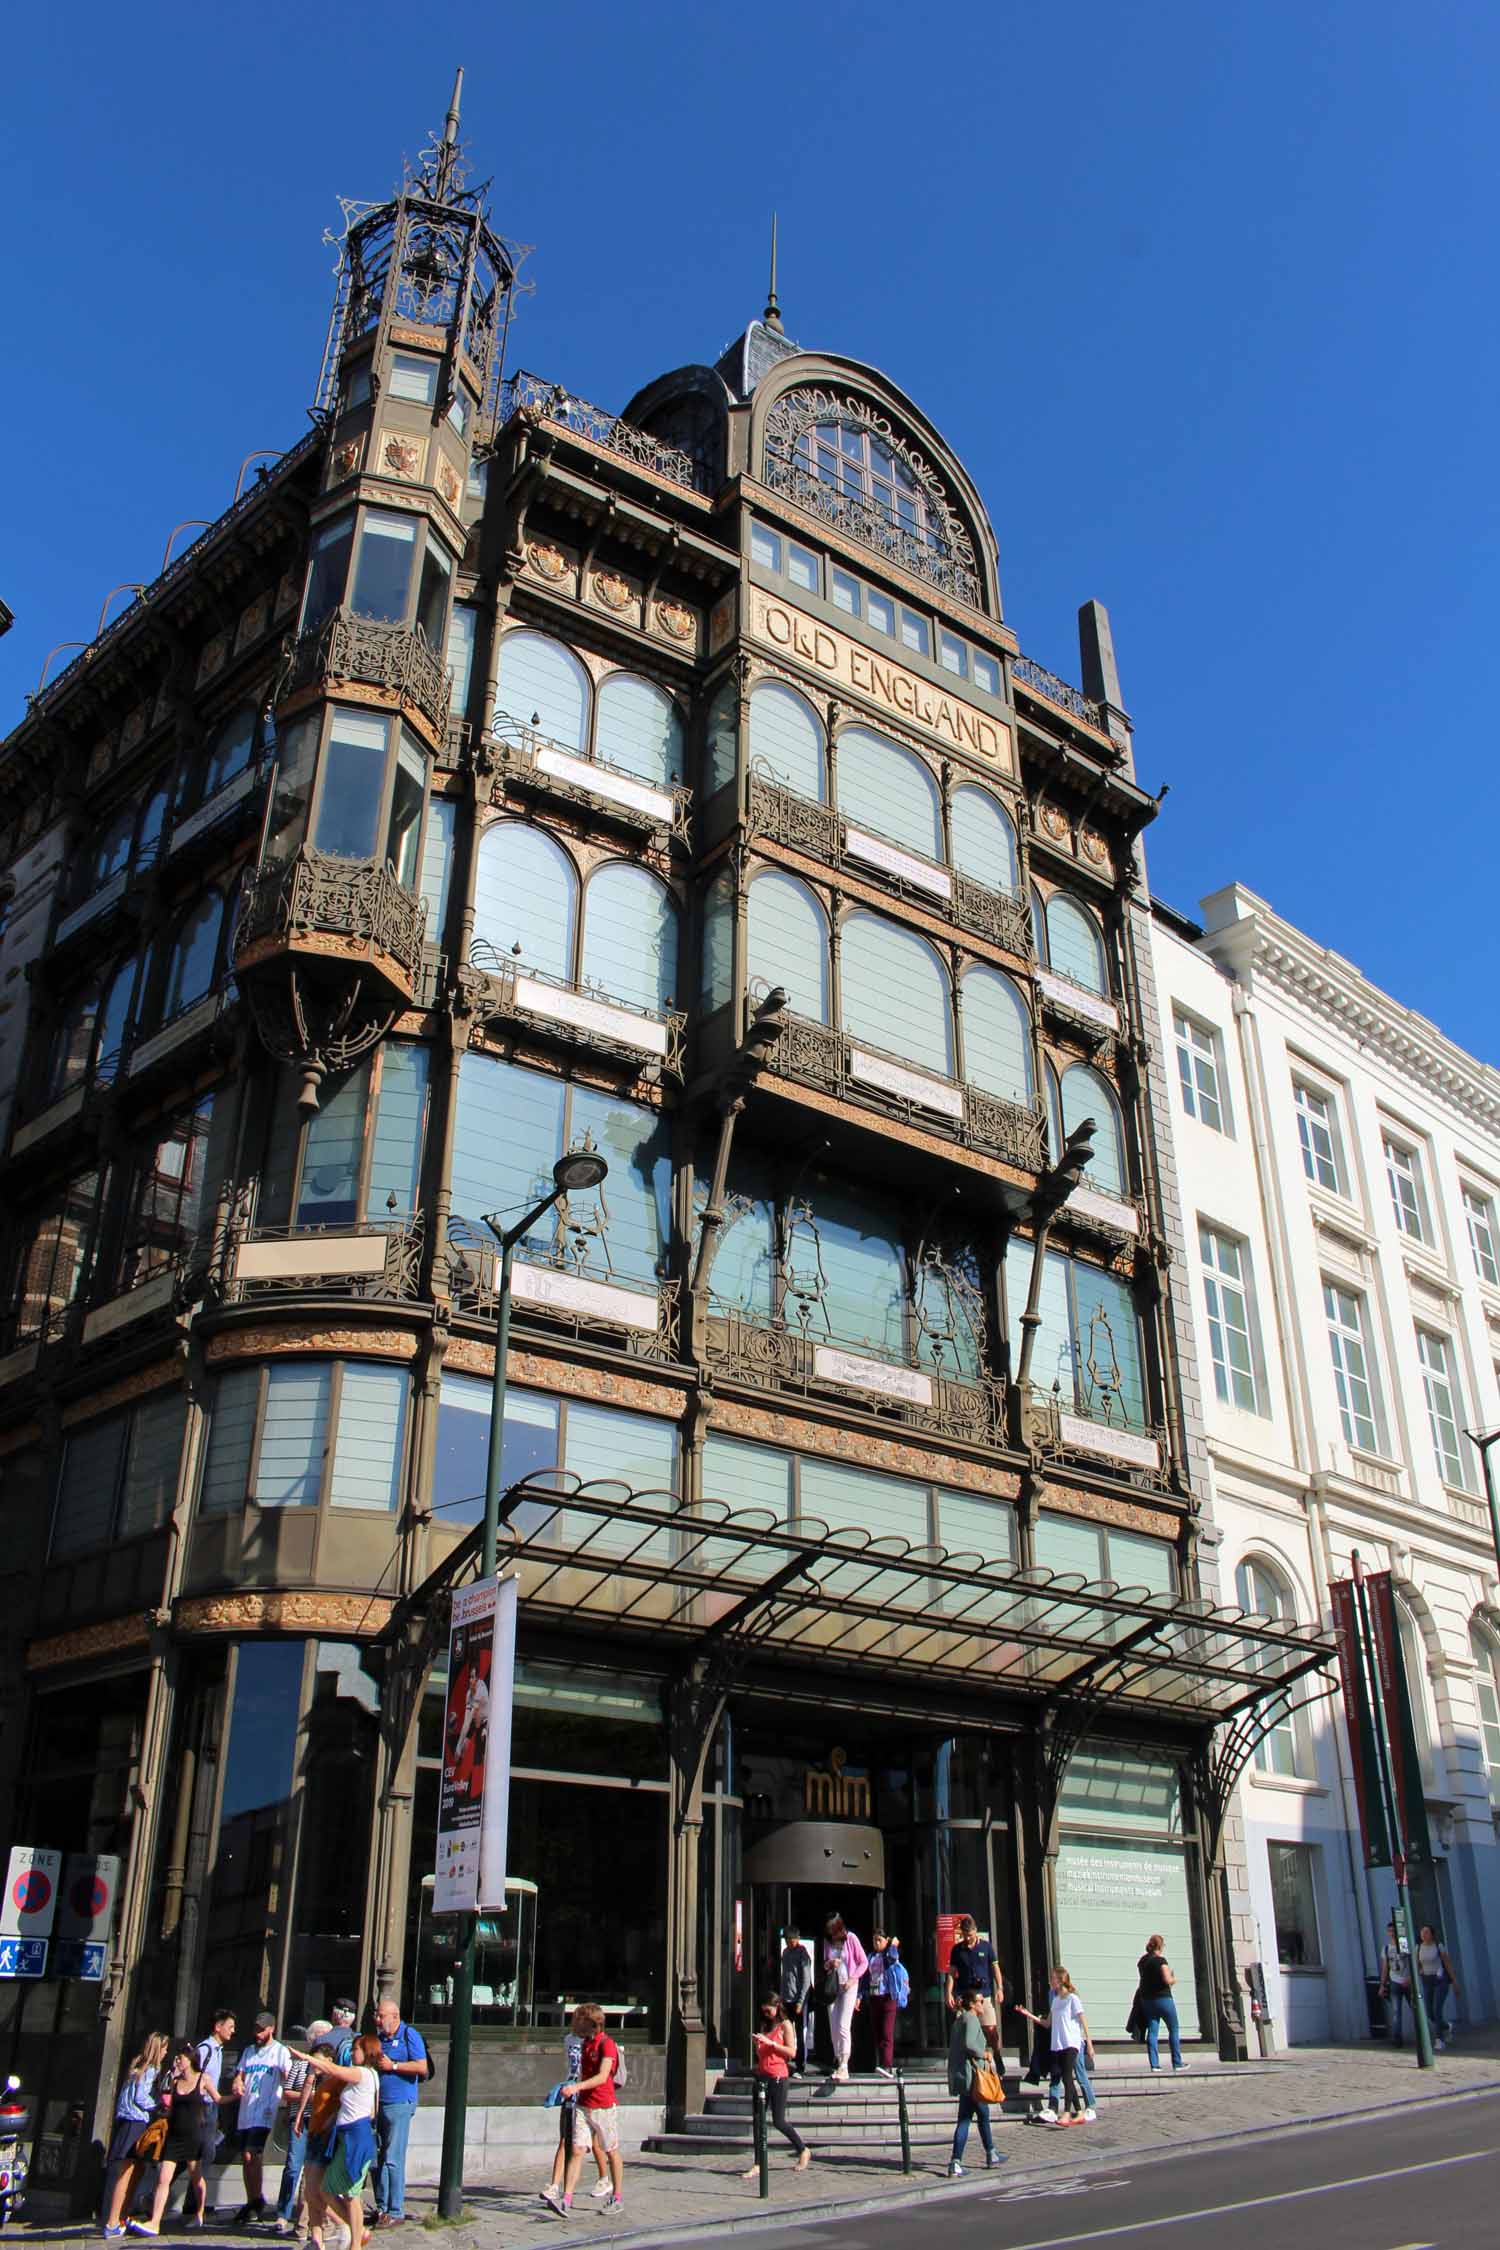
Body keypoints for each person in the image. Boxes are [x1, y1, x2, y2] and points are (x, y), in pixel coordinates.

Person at [288, 2033, 383, 2250]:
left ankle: (356, 2241)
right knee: (332, 2190)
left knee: (347, 2192)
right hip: (348, 2134)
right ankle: (354, 2236)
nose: (352, 2053)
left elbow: (333, 2070)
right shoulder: (370, 2076)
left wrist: (304, 2056)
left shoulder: (362, 2073)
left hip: (354, 2137)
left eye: (356, 2049)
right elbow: (371, 2111)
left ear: (366, 2051)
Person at [127, 2041, 213, 2236]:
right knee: (163, 2179)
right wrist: (171, 2076)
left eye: (180, 2058)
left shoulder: (202, 2079)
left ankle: (199, 2213)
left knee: (196, 2177)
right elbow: (165, 2102)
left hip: (192, 2135)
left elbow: (217, 2098)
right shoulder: (174, 2081)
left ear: (189, 2060)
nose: (177, 2060)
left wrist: (236, 2095)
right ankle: (154, 2222)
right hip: (174, 2135)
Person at [546, 2002, 623, 2217]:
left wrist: (576, 2087)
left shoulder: (607, 2045)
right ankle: (566, 2199)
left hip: (603, 2106)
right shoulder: (585, 2044)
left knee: (611, 2150)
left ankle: (617, 2197)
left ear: (592, 2024)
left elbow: (602, 2076)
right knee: (577, 2149)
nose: (575, 2026)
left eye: (580, 2022)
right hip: (583, 2105)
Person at [102, 2032, 169, 2234]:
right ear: (158, 2049)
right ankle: (113, 2222)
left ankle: (121, 2217)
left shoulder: (137, 2065)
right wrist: (158, 2105)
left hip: (127, 2120)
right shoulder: (151, 2069)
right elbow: (141, 2097)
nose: (166, 2052)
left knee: (135, 2170)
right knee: (126, 2173)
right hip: (136, 2122)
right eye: (165, 2048)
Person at [230, 2010, 293, 2224]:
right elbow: (240, 2075)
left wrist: (288, 2101)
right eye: (255, 2029)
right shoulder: (249, 2051)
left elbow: (289, 2077)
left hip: (265, 2110)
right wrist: (237, 2083)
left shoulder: (279, 2052)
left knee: (251, 2154)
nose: (257, 2033)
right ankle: (253, 2199)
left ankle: (256, 2199)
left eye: (261, 2029)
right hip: (246, 2110)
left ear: (271, 2029)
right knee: (246, 2158)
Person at [370, 1996, 427, 2226]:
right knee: (378, 2159)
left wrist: (393, 2066)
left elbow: (421, 2067)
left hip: (400, 2103)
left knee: (393, 2158)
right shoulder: (379, 2039)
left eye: (381, 2015)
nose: (377, 2019)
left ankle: (395, 2210)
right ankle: (382, 2207)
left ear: (395, 2016)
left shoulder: (408, 2035)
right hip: (378, 2104)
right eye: (376, 2015)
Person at [740, 1996, 811, 2177]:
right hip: (762, 2075)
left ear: (776, 2007)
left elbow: (791, 2052)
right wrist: (759, 2044)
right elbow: (762, 2053)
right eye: (763, 2011)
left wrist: (772, 2044)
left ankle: (802, 2149)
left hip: (778, 2076)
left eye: (768, 2011)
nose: (766, 2014)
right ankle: (758, 2163)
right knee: (757, 2120)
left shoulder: (785, 2025)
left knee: (778, 2120)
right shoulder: (765, 2026)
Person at [1018, 1970, 1097, 2125]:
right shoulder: (1055, 2001)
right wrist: (1028, 2014)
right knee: (1067, 2079)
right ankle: (1079, 2112)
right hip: (1058, 2044)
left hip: (1071, 2043)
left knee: (1067, 2077)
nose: (1050, 1982)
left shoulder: (1073, 1999)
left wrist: (1089, 2043)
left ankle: (1067, 2113)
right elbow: (1048, 2023)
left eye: (1052, 1979)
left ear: (1060, 1981)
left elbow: (1083, 2021)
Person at [946, 1989, 1005, 2179]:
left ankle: (991, 2153)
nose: (982, 2004)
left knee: (979, 2115)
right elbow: (970, 2044)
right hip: (973, 2077)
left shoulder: (959, 2020)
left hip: (965, 2076)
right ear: (972, 2004)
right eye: (979, 2001)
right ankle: (957, 2161)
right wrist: (985, 2053)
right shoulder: (970, 2019)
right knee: (968, 2119)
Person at [274, 2022, 325, 2239]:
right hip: (301, 2119)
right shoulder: (300, 2065)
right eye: (321, 2037)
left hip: (320, 2122)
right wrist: (312, 2097)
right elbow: (288, 2092)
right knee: (293, 2166)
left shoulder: (328, 2065)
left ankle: (305, 2220)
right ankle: (282, 2212)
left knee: (311, 2172)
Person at [944, 1913, 1003, 2062]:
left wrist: (1000, 1988)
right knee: (962, 2029)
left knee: (990, 2029)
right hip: (965, 1996)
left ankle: (997, 2055)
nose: (968, 1938)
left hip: (983, 1995)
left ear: (975, 1931)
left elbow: (995, 1969)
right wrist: (948, 1993)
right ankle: (964, 2060)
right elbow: (951, 1973)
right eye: (964, 1935)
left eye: (970, 1935)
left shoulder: (986, 1947)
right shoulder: (957, 1950)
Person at [821, 1914, 868, 2084]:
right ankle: (837, 2057)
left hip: (848, 1985)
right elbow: (825, 1962)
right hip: (834, 1985)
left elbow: (863, 1962)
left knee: (843, 2025)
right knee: (833, 2025)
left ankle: (844, 2065)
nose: (832, 1936)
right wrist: (829, 1964)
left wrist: (853, 1978)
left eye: (833, 1932)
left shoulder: (851, 1939)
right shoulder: (827, 1941)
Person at [1136, 1935, 1184, 2071]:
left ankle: (1155, 2065)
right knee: (1173, 2029)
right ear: (1161, 1946)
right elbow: (1167, 1980)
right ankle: (1177, 2062)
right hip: (1164, 1999)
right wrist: (1173, 1978)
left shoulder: (1143, 1962)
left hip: (1147, 2000)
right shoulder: (1161, 1960)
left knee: (1152, 2031)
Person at [862, 1931, 901, 2079]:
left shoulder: (888, 1954)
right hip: (874, 1997)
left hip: (888, 1996)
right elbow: (866, 1977)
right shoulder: (871, 1956)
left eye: (879, 1940)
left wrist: (893, 1946)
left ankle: (887, 2065)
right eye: (874, 1940)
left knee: (886, 2032)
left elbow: (892, 1959)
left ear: (886, 1941)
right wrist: (861, 1995)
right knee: (877, 2032)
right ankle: (879, 2063)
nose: (876, 1943)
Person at [1416, 1925, 1460, 2051]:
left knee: (1436, 2010)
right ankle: (1447, 2026)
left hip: (1440, 1980)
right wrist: (1418, 1973)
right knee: (1430, 2013)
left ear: (1432, 1934)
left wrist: (1455, 1982)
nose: (1424, 1934)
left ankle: (1439, 2040)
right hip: (1426, 1980)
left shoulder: (1438, 1946)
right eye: (1422, 1932)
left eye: (1427, 1932)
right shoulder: (1418, 1947)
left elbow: (1447, 1963)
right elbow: (1417, 1964)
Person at [779, 1928, 813, 2075]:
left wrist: (801, 2001)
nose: (790, 1942)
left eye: (792, 1939)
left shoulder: (802, 1954)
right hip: (785, 1998)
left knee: (800, 2031)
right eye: (787, 1940)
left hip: (798, 1999)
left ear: (798, 1939)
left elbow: (806, 1980)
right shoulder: (785, 1953)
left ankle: (801, 2065)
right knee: (785, 2030)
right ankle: (785, 2062)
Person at [1379, 1921, 1415, 2048]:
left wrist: (1411, 1978)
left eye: (1394, 1931)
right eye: (1390, 1931)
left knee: (1415, 2008)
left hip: (1407, 1981)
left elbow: (1412, 1963)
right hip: (1394, 1981)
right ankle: (1397, 2039)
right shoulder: (1386, 1948)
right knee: (1396, 2011)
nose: (1392, 1933)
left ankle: (1422, 2035)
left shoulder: (1405, 1945)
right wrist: (1382, 1984)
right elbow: (1385, 1967)